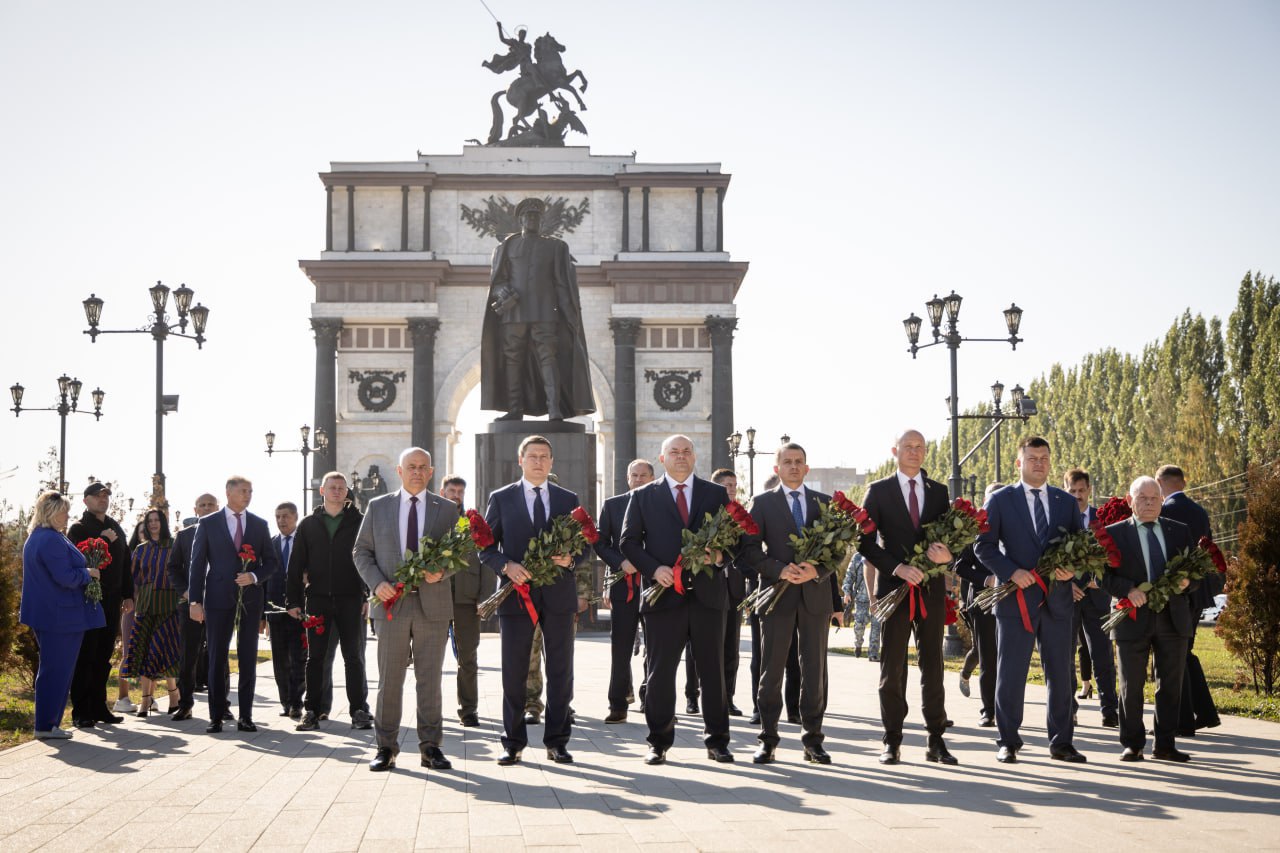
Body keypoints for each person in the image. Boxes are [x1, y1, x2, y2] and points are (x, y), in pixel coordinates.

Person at [621, 434, 733, 765]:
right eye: (674, 452)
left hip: (708, 599)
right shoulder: (642, 496)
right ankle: (658, 741)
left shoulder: (715, 494)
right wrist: (653, 569)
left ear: (694, 457)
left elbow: (736, 539)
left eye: (686, 451)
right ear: (662, 458)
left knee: (713, 673)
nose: (681, 456)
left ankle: (718, 742)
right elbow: (628, 542)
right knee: (660, 674)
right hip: (663, 598)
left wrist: (719, 557)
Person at [975, 436, 1086, 764]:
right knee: (1011, 673)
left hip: (1057, 601)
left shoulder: (1065, 501)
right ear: (1018, 463)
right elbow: (983, 546)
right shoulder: (1000, 500)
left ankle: (1062, 742)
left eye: (1044, 458)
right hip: (1015, 601)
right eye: (1032, 458)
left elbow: (1081, 546)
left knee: (1061, 674)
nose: (1039, 463)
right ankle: (1008, 741)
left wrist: (1073, 570)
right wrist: (1011, 571)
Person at [479, 435, 586, 766]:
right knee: (513, 671)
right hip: (516, 597)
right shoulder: (501, 498)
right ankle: (513, 742)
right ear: (520, 460)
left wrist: (571, 559)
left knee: (561, 671)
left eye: (544, 456)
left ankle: (557, 742)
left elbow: (585, 544)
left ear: (551, 462)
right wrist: (506, 566)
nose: (538, 461)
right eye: (532, 456)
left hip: (558, 596)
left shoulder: (569, 499)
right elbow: (485, 548)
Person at [354, 448, 457, 772]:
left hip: (432, 607)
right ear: (399, 471)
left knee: (430, 680)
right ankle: (386, 747)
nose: (416, 471)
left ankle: (431, 748)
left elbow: (460, 553)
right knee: (389, 680)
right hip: (391, 606)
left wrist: (443, 571)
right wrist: (376, 584)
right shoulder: (378, 506)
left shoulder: (447, 509)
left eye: (423, 467)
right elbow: (361, 551)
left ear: (431, 472)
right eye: (411, 466)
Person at [858, 429, 956, 765]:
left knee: (934, 666)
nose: (914, 452)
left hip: (930, 592)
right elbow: (864, 542)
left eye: (919, 447)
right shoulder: (878, 491)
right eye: (908, 447)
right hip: (894, 590)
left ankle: (936, 740)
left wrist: (949, 556)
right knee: (892, 669)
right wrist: (897, 568)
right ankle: (892, 740)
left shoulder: (939, 492)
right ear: (895, 451)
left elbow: (951, 539)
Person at [739, 443, 837, 765]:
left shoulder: (824, 503)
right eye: (787, 462)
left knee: (814, 671)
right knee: (771, 670)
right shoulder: (762, 503)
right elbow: (749, 549)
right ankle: (767, 739)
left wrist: (816, 571)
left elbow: (837, 551)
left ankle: (813, 741)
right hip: (777, 596)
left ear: (806, 468)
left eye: (799, 462)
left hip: (814, 598)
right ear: (777, 468)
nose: (794, 466)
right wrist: (778, 569)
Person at [1102, 476, 1196, 762]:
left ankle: (1165, 744)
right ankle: (1132, 743)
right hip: (1132, 617)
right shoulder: (1114, 534)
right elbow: (1102, 575)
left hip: (1173, 617)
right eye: (1142, 498)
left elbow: (1197, 571)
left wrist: (1188, 583)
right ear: (1130, 501)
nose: (1149, 503)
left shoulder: (1179, 531)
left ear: (1162, 501)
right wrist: (1128, 590)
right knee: (1131, 684)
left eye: (1155, 498)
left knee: (1170, 684)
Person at [480, 197, 594, 421]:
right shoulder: (505, 247)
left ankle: (554, 409)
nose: (532, 219)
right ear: (521, 220)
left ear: (542, 221)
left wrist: (570, 315)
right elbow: (497, 282)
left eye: (536, 216)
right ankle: (515, 409)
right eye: (528, 216)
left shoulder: (556, 247)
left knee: (548, 359)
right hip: (513, 314)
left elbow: (562, 284)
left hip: (545, 314)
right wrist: (502, 292)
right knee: (513, 360)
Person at [188, 476, 280, 733]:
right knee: (216, 657)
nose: (248, 495)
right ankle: (216, 716)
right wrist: (195, 601)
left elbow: (271, 562)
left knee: (248, 657)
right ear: (228, 493)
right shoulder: (208, 523)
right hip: (217, 599)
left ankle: (246, 716)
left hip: (250, 599)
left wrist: (254, 576)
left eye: (250, 491)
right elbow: (197, 564)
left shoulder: (260, 524)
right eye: (243, 491)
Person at [289, 473, 373, 733]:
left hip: (352, 599)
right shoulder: (308, 524)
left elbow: (370, 558)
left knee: (354, 657)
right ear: (322, 491)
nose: (337, 491)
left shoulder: (360, 522)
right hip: (317, 600)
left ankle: (359, 710)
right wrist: (293, 601)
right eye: (332, 487)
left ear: (346, 492)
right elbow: (295, 564)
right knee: (315, 658)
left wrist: (367, 594)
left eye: (341, 488)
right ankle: (312, 711)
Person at [21, 491, 106, 739]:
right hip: (59, 616)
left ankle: (49, 724)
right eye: (64, 511)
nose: (68, 516)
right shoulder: (49, 539)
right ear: (50, 512)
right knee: (57, 671)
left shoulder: (42, 536)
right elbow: (65, 577)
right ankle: (46, 725)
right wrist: (89, 573)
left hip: (53, 614)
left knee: (55, 670)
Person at [1156, 464, 1223, 735]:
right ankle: (1205, 713)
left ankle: (1182, 720)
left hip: (1177, 591)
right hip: (1198, 589)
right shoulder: (1199, 511)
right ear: (1182, 483)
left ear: (1160, 483)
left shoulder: (1165, 511)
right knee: (1184, 652)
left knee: (1175, 655)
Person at [67, 481, 133, 729]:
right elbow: (76, 560)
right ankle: (81, 711)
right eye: (97, 496)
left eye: (105, 495)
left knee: (104, 655)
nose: (102, 499)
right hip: (88, 598)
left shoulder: (115, 526)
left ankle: (98, 706)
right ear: (86, 500)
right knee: (87, 654)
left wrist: (128, 594)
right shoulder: (79, 528)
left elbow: (125, 562)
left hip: (112, 600)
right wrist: (101, 539)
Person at [683, 468, 747, 718]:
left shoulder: (741, 516)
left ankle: (727, 697)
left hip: (734, 590)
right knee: (697, 647)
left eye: (734, 485)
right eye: (727, 485)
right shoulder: (705, 512)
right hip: (706, 588)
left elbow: (744, 550)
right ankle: (692, 696)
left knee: (731, 647)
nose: (731, 489)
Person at [596, 459, 655, 724]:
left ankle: (652, 699)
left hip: (657, 585)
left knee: (657, 648)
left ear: (652, 478)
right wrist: (620, 563)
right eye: (634, 475)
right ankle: (617, 704)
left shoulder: (662, 504)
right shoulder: (612, 505)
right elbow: (600, 543)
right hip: (624, 586)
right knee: (620, 648)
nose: (639, 479)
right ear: (627, 478)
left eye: (644, 475)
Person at [1064, 468, 1118, 727]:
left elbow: (1114, 554)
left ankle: (1109, 710)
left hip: (1097, 596)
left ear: (1089, 490)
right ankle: (1069, 709)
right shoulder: (1059, 519)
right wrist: (1066, 585)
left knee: (1102, 655)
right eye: (1072, 491)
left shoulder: (1102, 519)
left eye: (1082, 490)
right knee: (1066, 655)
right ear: (1066, 491)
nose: (1078, 495)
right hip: (1068, 596)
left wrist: (1101, 579)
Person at [442, 475, 493, 728]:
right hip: (436, 599)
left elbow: (488, 561)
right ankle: (429, 709)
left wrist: (485, 598)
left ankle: (469, 710)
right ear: (443, 492)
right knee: (429, 659)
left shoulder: (475, 524)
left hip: (467, 600)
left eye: (460, 491)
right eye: (452, 490)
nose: (456, 495)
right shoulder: (432, 520)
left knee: (468, 658)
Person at [167, 493, 223, 722]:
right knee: (188, 655)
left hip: (220, 604)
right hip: (191, 604)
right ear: (195, 509)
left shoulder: (228, 534)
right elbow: (173, 568)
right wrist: (185, 591)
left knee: (219, 656)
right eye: (202, 505)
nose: (207, 508)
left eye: (211, 505)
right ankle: (185, 704)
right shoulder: (184, 536)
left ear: (218, 508)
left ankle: (222, 705)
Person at [121, 508, 182, 716]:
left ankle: (173, 696)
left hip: (169, 604)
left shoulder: (174, 545)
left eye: (157, 520)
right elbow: (132, 579)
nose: (153, 524)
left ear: (163, 523)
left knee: (166, 651)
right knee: (146, 651)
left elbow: (183, 573)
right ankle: (146, 700)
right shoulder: (140, 549)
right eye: (149, 521)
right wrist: (129, 600)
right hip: (145, 605)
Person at [954, 483, 1005, 728]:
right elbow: (960, 566)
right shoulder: (975, 529)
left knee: (1009, 658)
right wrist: (986, 579)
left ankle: (1006, 708)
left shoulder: (1015, 528)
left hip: (1012, 601)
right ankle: (989, 711)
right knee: (988, 657)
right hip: (983, 603)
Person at [265, 502, 305, 720]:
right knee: (280, 660)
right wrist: (262, 615)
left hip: (300, 611)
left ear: (295, 517)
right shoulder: (270, 545)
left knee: (299, 658)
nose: (282, 520)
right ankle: (286, 702)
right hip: (275, 611)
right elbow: (263, 580)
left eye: (286, 516)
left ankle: (297, 703)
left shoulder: (305, 542)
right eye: (278, 516)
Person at [841, 552, 878, 658]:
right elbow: (850, 575)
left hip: (877, 598)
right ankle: (858, 644)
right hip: (861, 598)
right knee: (859, 625)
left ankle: (873, 653)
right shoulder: (858, 557)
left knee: (876, 626)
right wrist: (847, 592)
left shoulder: (881, 554)